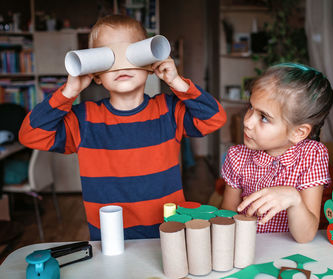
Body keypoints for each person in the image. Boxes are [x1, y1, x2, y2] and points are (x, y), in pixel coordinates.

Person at [19, 15, 226, 240]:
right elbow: (31, 136)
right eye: (109, 58)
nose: (121, 65)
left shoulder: (168, 111)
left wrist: (177, 82)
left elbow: (214, 119)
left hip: (167, 233)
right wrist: (68, 92)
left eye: (131, 54)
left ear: (149, 63)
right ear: (96, 72)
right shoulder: (84, 120)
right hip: (109, 238)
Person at [221, 63, 333, 243]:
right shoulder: (236, 156)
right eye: (250, 107)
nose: (247, 122)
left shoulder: (313, 156)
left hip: (290, 255)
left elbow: (306, 236)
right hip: (246, 249)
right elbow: (226, 221)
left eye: (264, 117)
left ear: (298, 133)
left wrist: (294, 199)